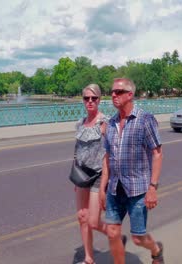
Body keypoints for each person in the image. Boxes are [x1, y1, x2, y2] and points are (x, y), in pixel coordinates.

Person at [100, 78, 164, 264]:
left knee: (138, 238)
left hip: (137, 190)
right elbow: (107, 158)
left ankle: (156, 250)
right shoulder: (110, 123)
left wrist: (153, 187)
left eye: (118, 92)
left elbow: (157, 153)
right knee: (112, 233)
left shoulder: (144, 119)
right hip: (114, 189)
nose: (113, 95)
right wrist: (103, 188)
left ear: (130, 95)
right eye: (112, 91)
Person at [73, 84, 109, 264]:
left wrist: (106, 183)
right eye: (86, 98)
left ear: (99, 100)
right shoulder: (80, 123)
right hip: (81, 175)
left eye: (93, 98)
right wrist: (75, 176)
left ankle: (113, 233)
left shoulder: (105, 123)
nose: (90, 101)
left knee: (94, 220)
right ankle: (89, 258)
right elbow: (77, 150)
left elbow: (110, 154)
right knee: (82, 217)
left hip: (98, 176)